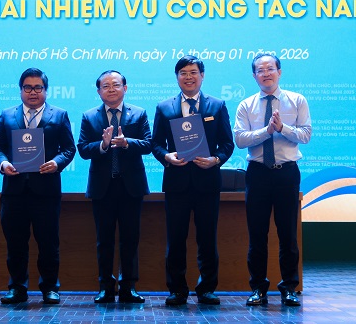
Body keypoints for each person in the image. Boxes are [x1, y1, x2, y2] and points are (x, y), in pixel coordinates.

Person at [151, 55, 234, 306]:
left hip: (207, 183)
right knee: (175, 239)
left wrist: (215, 160)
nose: (189, 77)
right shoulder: (164, 107)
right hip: (176, 183)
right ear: (177, 77)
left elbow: (227, 144)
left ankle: (206, 289)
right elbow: (156, 144)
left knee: (207, 238)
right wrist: (167, 156)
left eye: (193, 72)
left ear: (202, 76)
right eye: (183, 73)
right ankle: (177, 290)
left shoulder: (217, 106)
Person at [0, 68, 76, 305]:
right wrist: (4, 163)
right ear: (21, 90)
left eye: (38, 87)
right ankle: (17, 288)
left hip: (46, 191)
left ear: (45, 90)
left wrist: (56, 163)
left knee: (48, 242)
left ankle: (50, 288)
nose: (32, 92)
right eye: (27, 87)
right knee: (15, 243)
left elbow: (69, 149)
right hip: (14, 190)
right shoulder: (7, 115)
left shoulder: (59, 115)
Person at [234, 53, 311, 307]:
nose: (266, 73)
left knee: (288, 234)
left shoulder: (297, 100)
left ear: (279, 72)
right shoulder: (246, 105)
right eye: (260, 70)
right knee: (257, 235)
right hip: (257, 173)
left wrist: (282, 129)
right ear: (254, 75)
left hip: (286, 173)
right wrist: (266, 131)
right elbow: (240, 139)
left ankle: (289, 288)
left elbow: (306, 135)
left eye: (270, 68)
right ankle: (258, 288)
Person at [78, 70, 152, 304]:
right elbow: (82, 149)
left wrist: (127, 143)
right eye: (106, 86)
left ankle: (129, 286)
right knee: (104, 240)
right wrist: (103, 145)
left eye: (116, 85)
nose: (111, 89)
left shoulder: (139, 113)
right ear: (99, 91)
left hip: (131, 187)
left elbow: (148, 144)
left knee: (130, 238)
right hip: (103, 187)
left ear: (125, 88)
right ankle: (106, 287)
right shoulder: (89, 116)